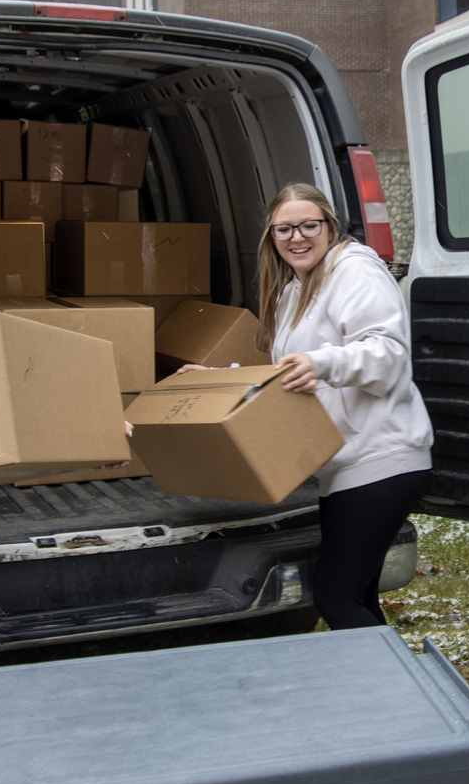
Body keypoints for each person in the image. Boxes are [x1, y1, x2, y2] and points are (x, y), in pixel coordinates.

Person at [181, 183, 433, 629]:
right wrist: (219, 383)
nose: (297, 238)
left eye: (308, 226)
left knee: (337, 599)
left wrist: (322, 364)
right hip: (341, 465)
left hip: (382, 458)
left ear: (330, 227)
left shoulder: (357, 274)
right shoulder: (290, 291)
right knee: (356, 597)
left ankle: (402, 696)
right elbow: (284, 377)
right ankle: (380, 692)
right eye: (284, 229)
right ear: (271, 238)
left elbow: (389, 355)